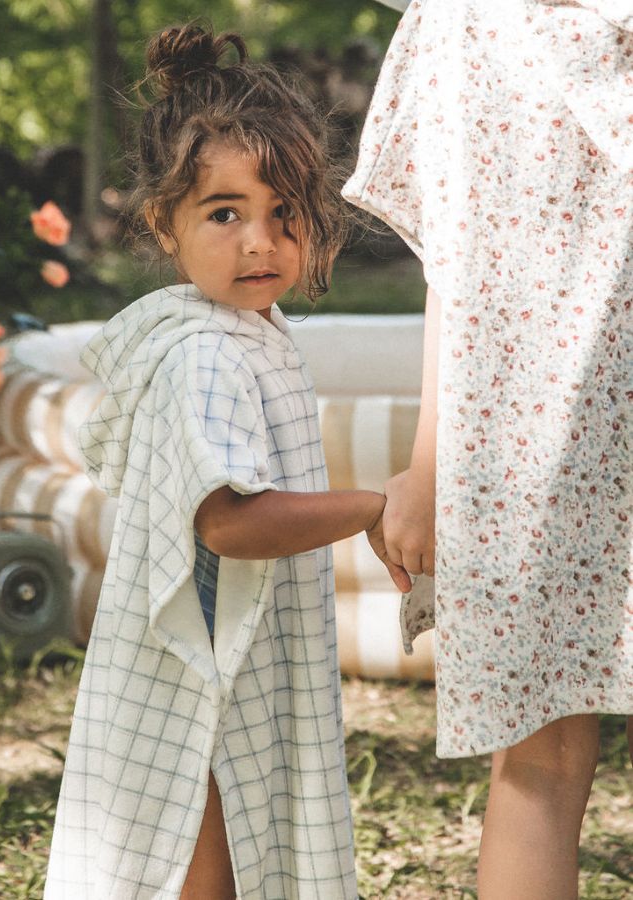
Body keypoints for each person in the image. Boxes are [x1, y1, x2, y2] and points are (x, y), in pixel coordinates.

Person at [45, 22, 410, 900]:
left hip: (227, 660)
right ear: (162, 225)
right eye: (225, 213)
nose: (260, 241)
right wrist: (372, 507)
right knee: (198, 852)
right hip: (203, 673)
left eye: (285, 212)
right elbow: (228, 522)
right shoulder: (206, 354)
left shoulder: (246, 333)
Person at [344, 1, 632, 898]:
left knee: (541, 754)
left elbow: (456, 260)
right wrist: (431, 466)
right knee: (540, 753)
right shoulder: (462, 22)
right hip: (538, 448)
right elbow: (458, 260)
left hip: (545, 445)